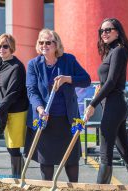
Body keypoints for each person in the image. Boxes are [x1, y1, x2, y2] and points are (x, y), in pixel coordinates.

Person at [25, 29, 91, 182]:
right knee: (46, 161)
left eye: (48, 42)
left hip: (67, 119)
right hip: (45, 119)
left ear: (56, 44)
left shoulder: (68, 60)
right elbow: (31, 90)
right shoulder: (33, 64)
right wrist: (40, 108)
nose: (44, 45)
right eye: (41, 42)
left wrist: (67, 79)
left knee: (71, 160)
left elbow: (86, 80)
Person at [85, 18, 128, 185]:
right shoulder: (111, 52)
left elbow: (110, 82)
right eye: (101, 31)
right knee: (125, 151)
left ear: (118, 31)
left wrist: (92, 104)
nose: (104, 33)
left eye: (108, 30)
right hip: (114, 106)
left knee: (105, 153)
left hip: (114, 105)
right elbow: (106, 83)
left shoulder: (118, 51)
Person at [0, 34, 29, 178]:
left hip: (16, 112)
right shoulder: (0, 65)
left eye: (5, 46)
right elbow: (2, 89)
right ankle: (19, 175)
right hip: (5, 111)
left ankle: (17, 177)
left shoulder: (17, 67)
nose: (2, 49)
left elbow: (13, 93)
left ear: (11, 47)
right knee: (10, 147)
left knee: (13, 147)